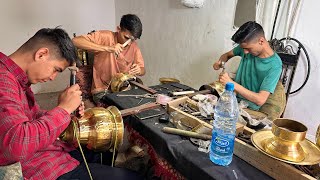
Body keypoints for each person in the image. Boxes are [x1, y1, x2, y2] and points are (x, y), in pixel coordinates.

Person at [0, 28, 142, 180]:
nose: (53, 78)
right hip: (43, 167)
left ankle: (110, 161)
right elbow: (15, 145)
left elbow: (33, 116)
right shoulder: (4, 80)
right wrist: (63, 109)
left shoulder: (16, 79)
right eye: (56, 70)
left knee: (96, 150)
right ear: (41, 54)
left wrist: (64, 113)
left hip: (50, 151)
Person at [72, 14, 145, 104]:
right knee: (120, 106)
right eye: (126, 38)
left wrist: (139, 70)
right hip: (103, 90)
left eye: (132, 40)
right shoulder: (106, 36)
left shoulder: (134, 46)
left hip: (123, 88)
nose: (129, 43)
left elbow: (143, 70)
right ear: (118, 29)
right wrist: (107, 48)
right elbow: (75, 41)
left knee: (140, 104)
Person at [213, 21, 282, 111]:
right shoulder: (245, 47)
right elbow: (226, 55)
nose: (245, 52)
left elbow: (260, 100)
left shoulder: (275, 65)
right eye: (243, 48)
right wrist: (220, 62)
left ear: (261, 41)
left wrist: (231, 83)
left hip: (249, 108)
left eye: (248, 49)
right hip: (233, 98)